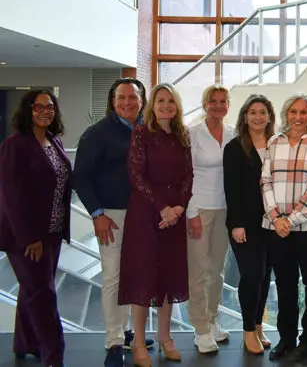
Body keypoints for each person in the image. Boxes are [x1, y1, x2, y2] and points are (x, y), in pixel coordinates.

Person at [71, 78, 155, 366]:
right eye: (122, 97)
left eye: (133, 97)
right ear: (113, 101)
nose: (127, 102)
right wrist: (97, 214)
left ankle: (128, 332)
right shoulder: (97, 134)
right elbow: (80, 176)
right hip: (112, 216)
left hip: (143, 215)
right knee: (113, 277)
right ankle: (114, 342)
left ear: (142, 100)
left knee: (136, 275)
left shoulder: (149, 130)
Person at [118, 83, 193, 366]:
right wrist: (163, 207)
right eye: (160, 100)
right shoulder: (141, 134)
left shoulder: (182, 135)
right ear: (152, 105)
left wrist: (179, 208)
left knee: (169, 276)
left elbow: (188, 176)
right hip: (146, 215)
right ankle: (138, 343)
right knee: (143, 277)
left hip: (174, 216)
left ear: (177, 106)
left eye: (171, 101)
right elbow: (136, 175)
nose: (166, 106)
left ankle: (165, 336)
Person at [0, 89, 70, 367]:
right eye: (38, 107)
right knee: (43, 295)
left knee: (33, 289)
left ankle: (25, 342)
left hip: (53, 232)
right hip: (27, 237)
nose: (45, 111)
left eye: (49, 106)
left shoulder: (54, 141)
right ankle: (54, 356)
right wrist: (30, 237)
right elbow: (11, 196)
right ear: (27, 110)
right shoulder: (15, 145)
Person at [261, 94, 307, 362]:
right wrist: (276, 217)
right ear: (286, 114)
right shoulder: (273, 142)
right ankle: (287, 340)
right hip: (276, 227)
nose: (298, 117)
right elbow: (265, 181)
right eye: (293, 111)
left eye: (303, 112)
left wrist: (290, 220)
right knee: (285, 285)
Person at [223, 94, 276, 355]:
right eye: (253, 112)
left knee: (265, 276)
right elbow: (231, 190)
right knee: (252, 274)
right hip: (244, 223)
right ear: (245, 117)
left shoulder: (277, 145)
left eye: (262, 112)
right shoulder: (234, 148)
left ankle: (257, 326)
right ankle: (247, 330)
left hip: (273, 222)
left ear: (269, 117)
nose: (257, 117)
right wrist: (236, 224)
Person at [186, 84, 236, 354]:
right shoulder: (192, 133)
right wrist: (191, 212)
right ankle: (200, 329)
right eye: (213, 101)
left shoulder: (232, 133)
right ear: (205, 104)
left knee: (216, 271)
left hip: (225, 209)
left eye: (223, 101)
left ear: (228, 105)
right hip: (199, 209)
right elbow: (184, 175)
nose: (218, 105)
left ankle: (212, 320)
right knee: (198, 271)